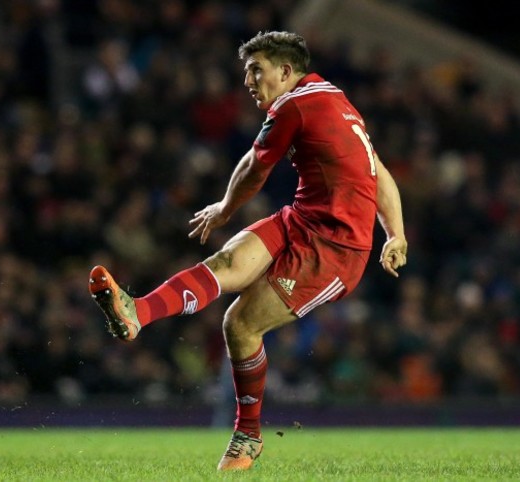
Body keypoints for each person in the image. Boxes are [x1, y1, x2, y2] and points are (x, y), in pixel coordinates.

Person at [88, 31, 407, 471]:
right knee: (227, 264)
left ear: (285, 72)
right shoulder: (331, 96)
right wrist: (397, 234)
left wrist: (224, 208)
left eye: (256, 70)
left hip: (336, 249)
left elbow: (255, 168)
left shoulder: (294, 105)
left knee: (239, 324)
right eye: (246, 72)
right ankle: (136, 312)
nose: (248, 81)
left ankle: (248, 437)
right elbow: (379, 169)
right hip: (302, 217)